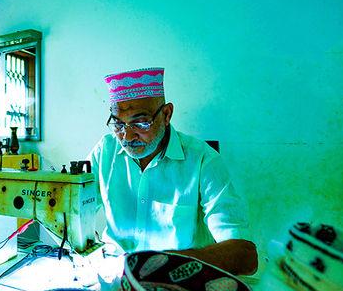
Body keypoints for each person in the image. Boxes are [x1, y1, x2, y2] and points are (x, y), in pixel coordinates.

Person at [88, 67, 259, 276]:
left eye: (140, 123)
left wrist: (163, 265)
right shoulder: (105, 152)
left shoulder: (203, 160)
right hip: (115, 276)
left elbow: (245, 255)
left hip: (179, 279)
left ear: (166, 114)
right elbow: (74, 213)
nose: (127, 136)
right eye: (118, 124)